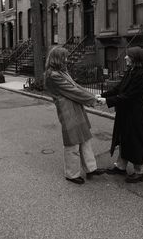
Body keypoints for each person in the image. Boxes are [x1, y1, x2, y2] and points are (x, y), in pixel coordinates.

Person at [44, 46, 105, 185]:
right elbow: (73, 91)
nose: (67, 59)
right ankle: (71, 174)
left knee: (85, 139)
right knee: (72, 143)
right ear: (57, 58)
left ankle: (91, 168)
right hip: (67, 112)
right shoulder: (53, 75)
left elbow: (76, 86)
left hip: (76, 108)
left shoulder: (62, 72)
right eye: (64, 57)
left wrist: (93, 95)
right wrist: (93, 100)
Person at [97, 46, 143, 183]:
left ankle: (141, 172)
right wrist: (102, 95)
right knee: (124, 139)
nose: (125, 58)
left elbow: (128, 96)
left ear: (134, 59)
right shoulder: (130, 71)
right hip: (126, 113)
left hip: (135, 115)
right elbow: (118, 88)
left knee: (136, 141)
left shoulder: (140, 74)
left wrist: (107, 101)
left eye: (128, 56)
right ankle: (121, 167)